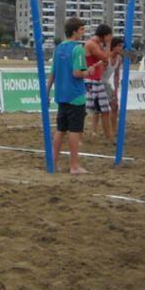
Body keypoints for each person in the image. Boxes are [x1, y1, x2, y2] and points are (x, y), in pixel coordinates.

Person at [46, 17, 103, 175]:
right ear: (75, 31)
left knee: (60, 129)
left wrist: (46, 91)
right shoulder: (77, 49)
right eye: (82, 29)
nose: (83, 32)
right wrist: (89, 72)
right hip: (75, 95)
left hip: (61, 95)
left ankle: (53, 164)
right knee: (74, 131)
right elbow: (77, 73)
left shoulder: (59, 48)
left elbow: (53, 73)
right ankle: (74, 166)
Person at [84, 24, 113, 139]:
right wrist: (109, 44)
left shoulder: (98, 44)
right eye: (109, 36)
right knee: (85, 111)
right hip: (91, 81)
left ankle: (109, 136)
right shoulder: (92, 44)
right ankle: (79, 135)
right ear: (105, 35)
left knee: (105, 110)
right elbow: (105, 57)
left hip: (97, 80)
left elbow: (105, 59)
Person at [102, 37, 124, 144]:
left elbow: (116, 76)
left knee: (115, 106)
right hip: (97, 82)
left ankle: (114, 131)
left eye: (122, 46)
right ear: (113, 46)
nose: (121, 48)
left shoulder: (119, 58)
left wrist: (116, 90)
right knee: (91, 110)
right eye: (119, 46)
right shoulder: (106, 57)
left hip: (106, 82)